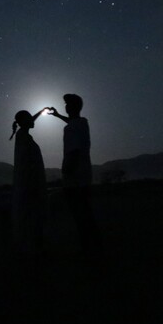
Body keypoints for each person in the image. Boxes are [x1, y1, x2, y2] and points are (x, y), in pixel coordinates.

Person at [48, 94, 102, 256]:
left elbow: (74, 151)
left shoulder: (71, 128)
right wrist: (57, 115)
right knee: (85, 212)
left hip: (75, 179)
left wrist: (66, 173)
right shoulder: (83, 123)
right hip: (85, 176)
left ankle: (88, 249)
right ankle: (94, 245)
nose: (65, 106)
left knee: (80, 215)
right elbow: (73, 123)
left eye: (66, 104)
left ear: (69, 107)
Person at [10, 108, 51, 256]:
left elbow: (29, 120)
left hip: (31, 184)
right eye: (29, 118)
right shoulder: (23, 137)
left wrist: (42, 111)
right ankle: (33, 251)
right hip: (30, 185)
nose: (33, 121)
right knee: (32, 218)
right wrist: (32, 183)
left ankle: (34, 249)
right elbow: (26, 163)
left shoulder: (23, 135)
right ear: (24, 121)